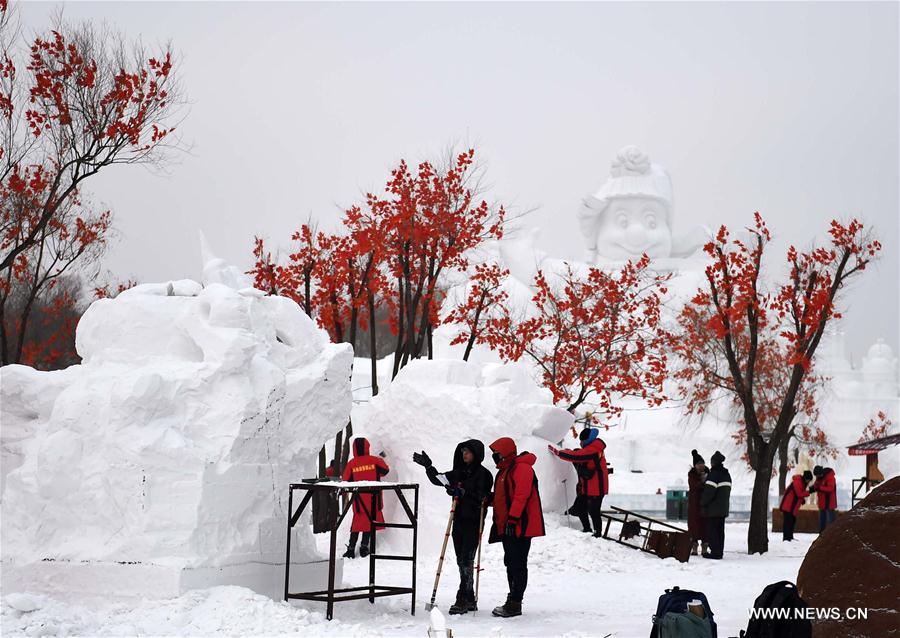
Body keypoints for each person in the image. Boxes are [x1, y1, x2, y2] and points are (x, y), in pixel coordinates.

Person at [412, 439, 493, 615]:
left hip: (473, 521)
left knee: (466, 559)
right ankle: (469, 596)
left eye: (468, 451)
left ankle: (462, 597)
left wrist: (464, 493)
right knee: (461, 560)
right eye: (463, 450)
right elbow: (439, 479)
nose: (464, 454)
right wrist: (428, 467)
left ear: (476, 454)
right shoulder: (459, 472)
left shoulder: (484, 474)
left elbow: (484, 496)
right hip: (458, 521)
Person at [487, 437, 545, 618]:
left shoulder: (522, 468)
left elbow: (522, 495)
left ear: (505, 452)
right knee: (511, 562)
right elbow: (502, 497)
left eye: (497, 454)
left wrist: (513, 519)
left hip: (520, 525)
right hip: (509, 525)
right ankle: (512, 599)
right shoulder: (506, 471)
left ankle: (515, 602)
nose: (494, 457)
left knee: (517, 563)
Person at [547, 427, 609, 536]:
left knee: (594, 511)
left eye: (582, 441)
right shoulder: (594, 446)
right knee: (580, 507)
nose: (581, 443)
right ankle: (587, 529)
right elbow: (581, 453)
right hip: (587, 486)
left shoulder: (593, 449)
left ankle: (598, 534)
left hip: (596, 488)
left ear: (587, 440)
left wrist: (558, 452)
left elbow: (576, 456)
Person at [341, 437, 389, 559]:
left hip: (359, 501)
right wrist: (381, 459)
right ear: (367, 447)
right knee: (369, 522)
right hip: (374, 500)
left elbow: (346, 480)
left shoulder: (352, 463)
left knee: (357, 524)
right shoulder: (375, 460)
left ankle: (351, 549)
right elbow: (385, 471)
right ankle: (364, 547)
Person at [700, 450, 731, 560]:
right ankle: (719, 552)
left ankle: (715, 552)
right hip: (723, 509)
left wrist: (702, 504)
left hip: (713, 509)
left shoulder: (714, 474)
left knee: (712, 531)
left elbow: (709, 492)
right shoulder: (726, 474)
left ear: (714, 462)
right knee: (720, 531)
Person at [780, 470, 813, 541]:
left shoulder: (802, 483)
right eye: (809, 480)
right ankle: (786, 538)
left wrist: (802, 500)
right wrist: (809, 491)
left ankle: (790, 537)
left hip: (791, 506)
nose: (809, 482)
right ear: (806, 478)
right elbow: (799, 493)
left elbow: (799, 494)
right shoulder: (798, 481)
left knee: (792, 521)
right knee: (788, 522)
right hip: (788, 505)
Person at [687, 449, 708, 556]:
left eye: (702, 463)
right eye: (699, 464)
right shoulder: (692, 475)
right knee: (694, 527)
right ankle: (694, 547)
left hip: (705, 505)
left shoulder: (708, 473)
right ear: (695, 465)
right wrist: (702, 481)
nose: (701, 466)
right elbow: (694, 486)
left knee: (705, 527)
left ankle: (704, 547)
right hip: (694, 506)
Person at [811, 465, 838, 532]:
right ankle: (821, 533)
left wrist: (820, 488)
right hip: (822, 502)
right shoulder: (819, 477)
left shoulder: (830, 477)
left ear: (821, 473)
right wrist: (811, 489)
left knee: (831, 520)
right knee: (822, 520)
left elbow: (830, 488)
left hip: (829, 503)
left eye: (817, 475)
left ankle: (833, 533)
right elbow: (816, 485)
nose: (817, 477)